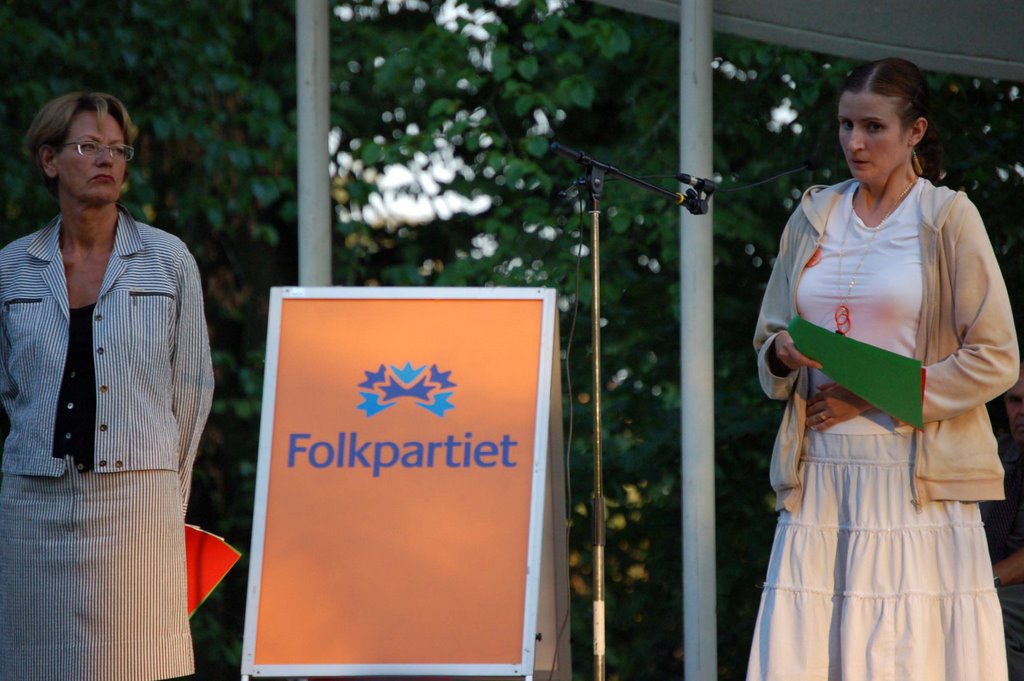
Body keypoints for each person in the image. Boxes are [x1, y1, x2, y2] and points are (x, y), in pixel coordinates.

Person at [747, 57, 1018, 680]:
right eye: (845, 125)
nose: (855, 142)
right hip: (819, 478)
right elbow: (768, 334)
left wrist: (866, 396)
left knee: (905, 655)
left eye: (873, 127)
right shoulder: (814, 214)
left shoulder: (947, 218)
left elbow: (996, 358)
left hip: (911, 479)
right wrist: (782, 353)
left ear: (916, 132)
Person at [0, 92, 214, 679]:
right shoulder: (11, 267)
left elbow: (192, 391)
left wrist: (169, 497)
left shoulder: (167, 261)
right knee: (30, 665)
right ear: (49, 161)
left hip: (138, 501)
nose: (107, 160)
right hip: (30, 502)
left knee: (141, 662)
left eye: (117, 149)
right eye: (88, 146)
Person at [983, 365, 1024, 680]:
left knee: (987, 615)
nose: (1021, 412)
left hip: (1002, 585)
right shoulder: (994, 455)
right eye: (1015, 401)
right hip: (986, 578)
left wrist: (982, 584)